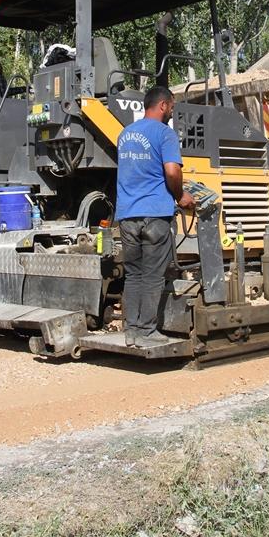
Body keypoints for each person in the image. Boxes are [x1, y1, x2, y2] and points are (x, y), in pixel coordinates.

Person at [115, 86, 195, 347]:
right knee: (152, 276)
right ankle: (147, 331)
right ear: (162, 105)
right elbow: (172, 172)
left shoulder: (125, 135)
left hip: (128, 215)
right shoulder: (165, 134)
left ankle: (132, 331)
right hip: (155, 215)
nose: (172, 110)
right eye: (171, 106)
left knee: (133, 275)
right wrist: (181, 196)